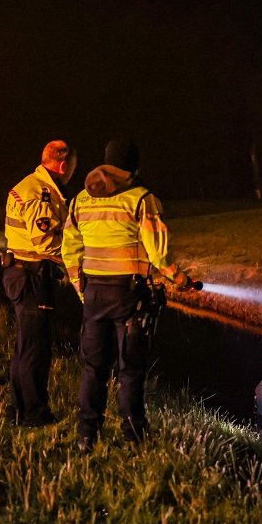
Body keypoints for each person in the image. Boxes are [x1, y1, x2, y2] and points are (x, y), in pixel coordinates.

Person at [62, 139, 199, 452]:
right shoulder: (141, 199)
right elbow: (159, 255)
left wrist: (78, 286)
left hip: (93, 294)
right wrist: (182, 280)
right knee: (131, 370)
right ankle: (133, 439)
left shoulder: (81, 200)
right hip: (129, 297)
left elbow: (69, 248)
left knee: (94, 368)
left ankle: (86, 438)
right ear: (133, 167)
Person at [2, 140, 78, 427]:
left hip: (21, 272)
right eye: (72, 167)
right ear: (62, 165)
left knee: (25, 347)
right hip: (32, 277)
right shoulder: (41, 193)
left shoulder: (28, 185)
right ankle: (35, 415)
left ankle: (18, 410)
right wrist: (74, 259)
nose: (72, 173)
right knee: (36, 349)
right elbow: (45, 241)